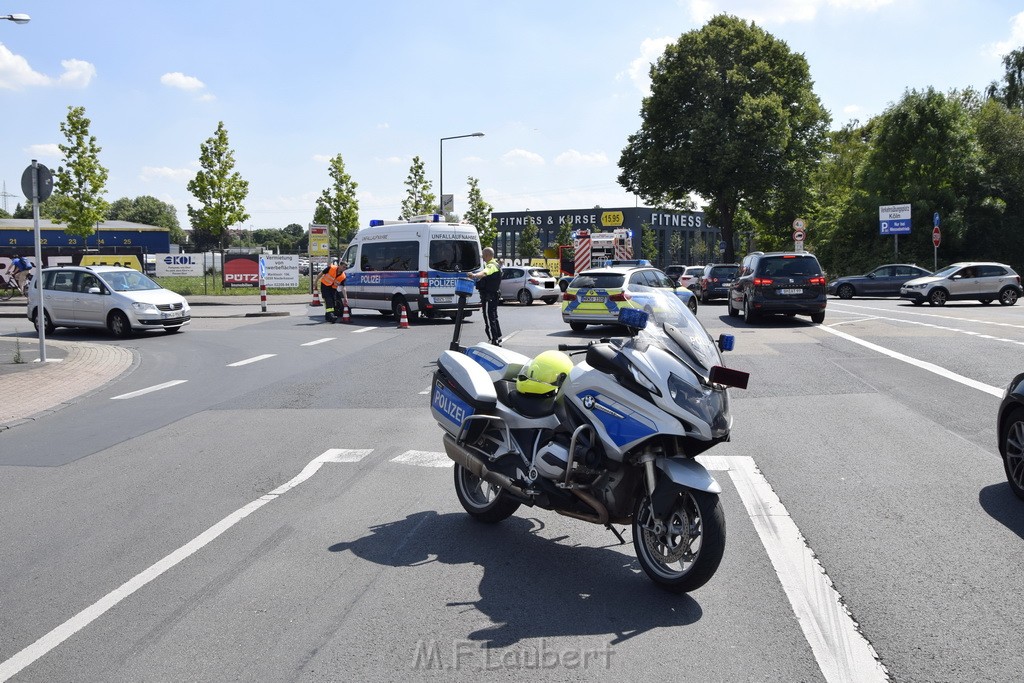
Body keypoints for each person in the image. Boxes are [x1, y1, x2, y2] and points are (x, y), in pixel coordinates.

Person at [469, 246, 503, 345]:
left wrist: (474, 276)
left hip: (489, 296)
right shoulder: (496, 265)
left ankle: (494, 339)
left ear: (487, 255)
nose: (482, 257)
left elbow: (484, 273)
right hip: (493, 295)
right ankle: (498, 337)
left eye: (483, 255)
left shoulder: (491, 266)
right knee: (493, 316)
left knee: (489, 317)